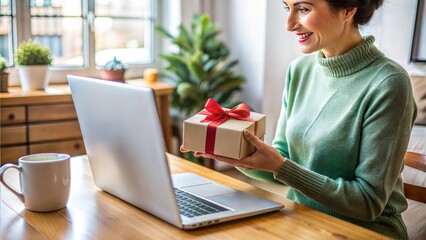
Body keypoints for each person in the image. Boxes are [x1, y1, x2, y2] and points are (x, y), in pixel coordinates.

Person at [194, 0, 418, 239]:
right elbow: (284, 158)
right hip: (302, 223)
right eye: (286, 8)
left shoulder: (389, 83)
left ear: (348, 10)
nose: (289, 25)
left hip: (364, 232)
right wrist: (240, 155)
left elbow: (367, 203)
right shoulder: (299, 70)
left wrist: (281, 166)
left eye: (302, 9)